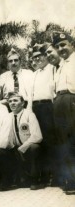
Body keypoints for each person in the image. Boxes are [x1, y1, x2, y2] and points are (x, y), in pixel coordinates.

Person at [30, 43, 57, 186]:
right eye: (34, 58)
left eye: (39, 56)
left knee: (50, 141)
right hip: (35, 108)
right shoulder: (34, 74)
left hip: (48, 106)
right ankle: (43, 176)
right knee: (38, 141)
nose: (37, 60)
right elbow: (31, 95)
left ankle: (54, 176)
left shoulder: (53, 69)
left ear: (45, 56)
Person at [52, 31, 75, 194]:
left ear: (72, 44)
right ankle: (70, 179)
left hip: (72, 100)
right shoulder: (60, 66)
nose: (61, 48)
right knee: (63, 142)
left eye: (64, 44)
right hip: (59, 102)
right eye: (58, 46)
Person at [7, 92, 43, 190]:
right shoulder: (7, 116)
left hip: (27, 147)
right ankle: (13, 179)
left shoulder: (29, 114)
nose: (12, 103)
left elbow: (37, 136)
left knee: (34, 147)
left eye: (15, 100)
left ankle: (36, 180)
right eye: (10, 101)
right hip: (16, 149)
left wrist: (23, 147)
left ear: (22, 103)